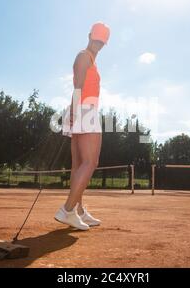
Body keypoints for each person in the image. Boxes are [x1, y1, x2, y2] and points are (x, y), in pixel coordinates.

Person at [55, 22, 110, 231]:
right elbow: (77, 85)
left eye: (102, 42)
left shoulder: (90, 59)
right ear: (89, 36)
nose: (98, 44)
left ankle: (78, 211)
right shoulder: (84, 56)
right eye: (96, 39)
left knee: (79, 165)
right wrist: (75, 112)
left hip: (82, 110)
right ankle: (67, 210)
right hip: (84, 110)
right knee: (90, 162)